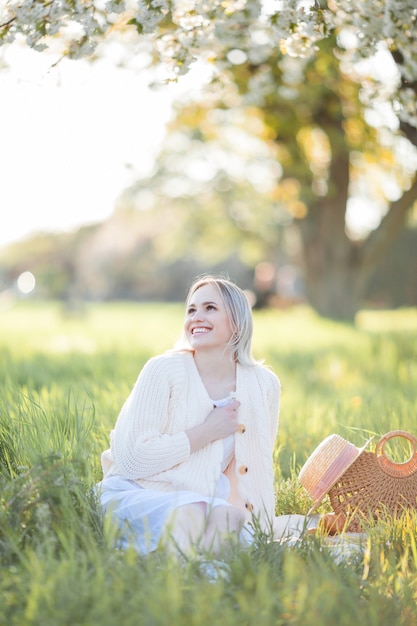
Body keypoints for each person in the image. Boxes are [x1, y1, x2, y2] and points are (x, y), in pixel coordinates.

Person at [98, 274, 312, 558]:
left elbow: (255, 463)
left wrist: (256, 520)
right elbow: (132, 459)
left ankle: (202, 579)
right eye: (191, 310)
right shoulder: (162, 370)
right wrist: (207, 431)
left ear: (237, 321)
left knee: (230, 518)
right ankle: (176, 579)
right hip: (136, 493)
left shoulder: (263, 384)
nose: (196, 317)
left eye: (210, 308)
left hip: (208, 502)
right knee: (192, 511)